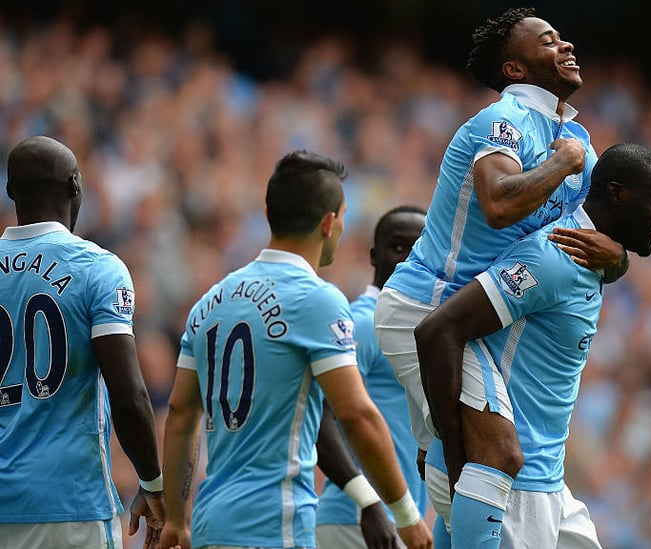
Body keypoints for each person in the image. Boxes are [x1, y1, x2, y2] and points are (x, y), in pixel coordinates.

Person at [374, 6, 626, 529]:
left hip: (473, 319)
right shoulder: (503, 121)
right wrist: (562, 163)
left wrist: (619, 258)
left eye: (563, 36)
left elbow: (606, 231)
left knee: (460, 468)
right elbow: (497, 202)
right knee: (496, 455)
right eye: (548, 41)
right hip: (431, 308)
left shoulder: (573, 137)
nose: (566, 46)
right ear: (514, 69)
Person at [159, 151, 432, 549]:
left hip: (209, 523)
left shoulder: (210, 303)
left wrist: (177, 520)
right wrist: (405, 514)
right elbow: (356, 415)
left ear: (268, 214)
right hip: (276, 523)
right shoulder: (317, 301)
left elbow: (182, 413)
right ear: (329, 223)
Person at [416, 143, 651, 547]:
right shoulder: (553, 257)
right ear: (617, 194)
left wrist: (620, 260)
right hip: (510, 483)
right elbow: (440, 330)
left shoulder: (592, 257)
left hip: (547, 480)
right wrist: (453, 451)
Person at [0, 135, 164, 548]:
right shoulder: (98, 269)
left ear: (10, 191)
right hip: (70, 504)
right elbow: (128, 396)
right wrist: (152, 483)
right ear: (76, 186)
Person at [316, 205, 430, 548]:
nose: (408, 259)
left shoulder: (416, 328)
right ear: (373, 255)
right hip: (359, 522)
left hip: (400, 519)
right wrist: (368, 502)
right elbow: (322, 417)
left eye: (420, 249)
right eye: (397, 248)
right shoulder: (362, 322)